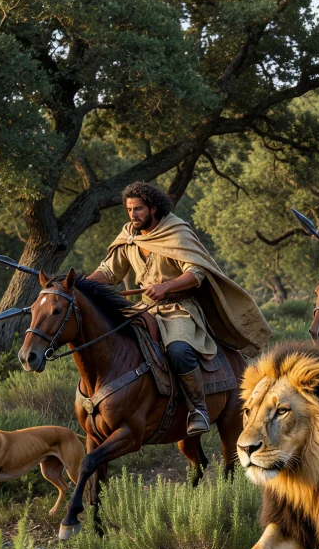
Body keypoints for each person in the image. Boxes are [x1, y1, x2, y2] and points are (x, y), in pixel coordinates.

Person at [89, 182, 272, 435]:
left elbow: (196, 273)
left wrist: (167, 287)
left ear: (153, 208)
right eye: (129, 209)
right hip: (144, 309)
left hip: (178, 309)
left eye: (138, 209)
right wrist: (77, 285)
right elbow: (109, 273)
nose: (133, 215)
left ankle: (198, 409)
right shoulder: (128, 236)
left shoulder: (175, 232)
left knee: (178, 350)